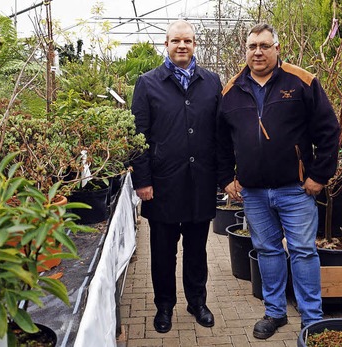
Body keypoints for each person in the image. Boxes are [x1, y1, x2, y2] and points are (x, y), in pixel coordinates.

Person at [217, 23, 340, 339]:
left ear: (276, 48)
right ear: (246, 50)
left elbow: (328, 130)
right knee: (267, 250)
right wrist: (225, 179)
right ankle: (274, 313)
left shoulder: (301, 82)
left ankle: (312, 319)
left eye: (264, 45)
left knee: (302, 251)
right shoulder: (231, 91)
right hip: (254, 192)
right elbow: (219, 140)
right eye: (252, 46)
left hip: (295, 189)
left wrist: (319, 175)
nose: (257, 51)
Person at [130, 20, 222, 334]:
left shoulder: (211, 82)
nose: (182, 46)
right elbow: (136, 135)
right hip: (163, 185)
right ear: (166, 44)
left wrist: (223, 177)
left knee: (197, 250)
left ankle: (197, 301)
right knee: (163, 252)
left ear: (195, 45)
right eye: (176, 41)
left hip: (200, 183)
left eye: (188, 41)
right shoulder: (148, 83)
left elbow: (219, 134)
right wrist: (142, 181)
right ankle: (164, 305)